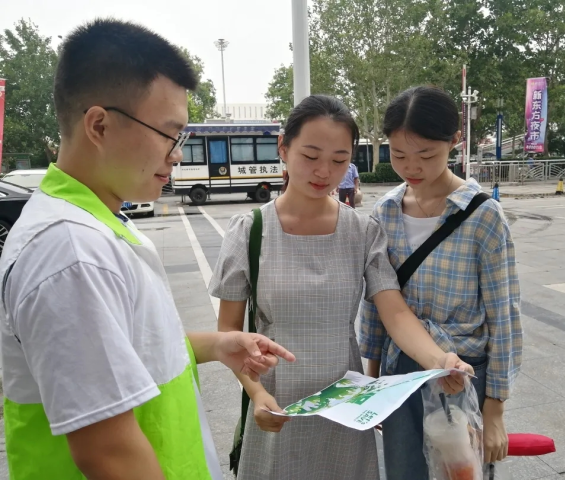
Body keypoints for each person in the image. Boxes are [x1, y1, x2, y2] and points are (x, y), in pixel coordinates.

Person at [0, 19, 294, 480]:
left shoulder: (98, 223)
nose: (177, 154)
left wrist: (218, 344)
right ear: (99, 125)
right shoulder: (70, 252)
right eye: (169, 134)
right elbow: (109, 453)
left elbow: (128, 350)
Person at [209, 94, 474, 480]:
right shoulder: (249, 231)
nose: (324, 172)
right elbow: (228, 334)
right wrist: (256, 392)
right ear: (283, 148)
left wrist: (440, 360)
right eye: (310, 156)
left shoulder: (362, 231)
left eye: (339, 160)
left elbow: (395, 312)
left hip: (344, 405)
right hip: (276, 401)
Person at [358, 86, 523, 480]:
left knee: (461, 474)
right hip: (400, 374)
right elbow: (377, 303)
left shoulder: (483, 216)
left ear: (454, 141)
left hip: (461, 375)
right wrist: (373, 379)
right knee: (403, 472)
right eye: (399, 155)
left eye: (427, 155)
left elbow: (503, 316)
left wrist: (495, 410)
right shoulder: (386, 212)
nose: (411, 167)